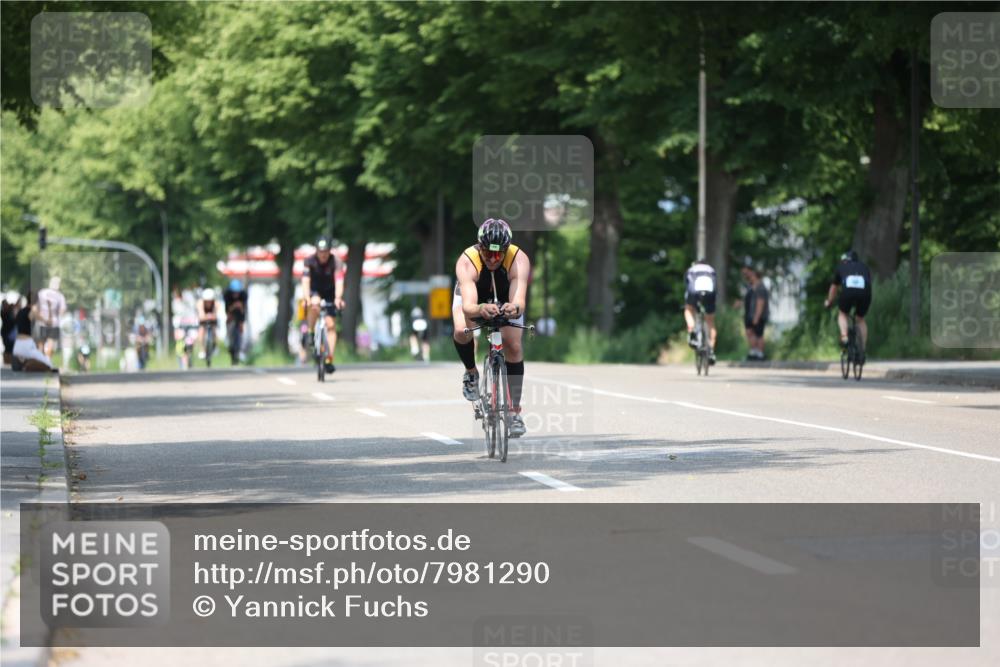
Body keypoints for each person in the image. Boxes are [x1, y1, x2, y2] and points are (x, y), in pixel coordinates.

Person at [452, 218, 531, 438]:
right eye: (488, 253)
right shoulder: (467, 261)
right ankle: (470, 372)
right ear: (480, 247)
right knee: (461, 330)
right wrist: (480, 308)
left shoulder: (519, 259)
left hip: (506, 295)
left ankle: (514, 411)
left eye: (499, 254)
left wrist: (513, 308)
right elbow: (468, 307)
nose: (494, 259)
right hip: (474, 296)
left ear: (506, 249)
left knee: (513, 345)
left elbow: (519, 302)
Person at [301, 236, 346, 373]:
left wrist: (338, 298)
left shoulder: (336, 262)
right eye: (320, 251)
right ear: (316, 251)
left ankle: (329, 358)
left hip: (330, 292)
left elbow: (339, 281)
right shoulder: (309, 261)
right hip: (315, 290)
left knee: (331, 325)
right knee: (314, 304)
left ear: (329, 251)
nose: (323, 254)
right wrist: (306, 297)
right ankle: (310, 331)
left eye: (326, 251)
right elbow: (305, 281)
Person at [824, 250, 872, 359]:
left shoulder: (841, 267)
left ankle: (845, 337)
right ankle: (862, 350)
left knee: (842, 314)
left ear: (845, 260)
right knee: (860, 319)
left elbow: (834, 288)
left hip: (848, 293)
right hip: (865, 293)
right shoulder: (864, 267)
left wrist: (829, 301)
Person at [683, 259, 717, 364]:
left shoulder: (691, 269)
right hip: (710, 293)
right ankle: (711, 350)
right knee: (710, 322)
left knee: (688, 309)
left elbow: (687, 287)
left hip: (694, 291)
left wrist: (688, 302)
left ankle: (692, 330)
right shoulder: (711, 270)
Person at [12, 291, 55, 372]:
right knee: (49, 364)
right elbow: (49, 322)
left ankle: (25, 363)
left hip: (17, 346)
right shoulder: (33, 311)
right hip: (27, 345)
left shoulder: (20, 311)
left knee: (33, 361)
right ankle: (28, 363)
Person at [741, 265, 769, 361]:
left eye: (751, 276)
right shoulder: (751, 287)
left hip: (757, 315)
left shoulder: (760, 288)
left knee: (758, 334)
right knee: (751, 333)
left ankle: (760, 353)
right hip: (750, 314)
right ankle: (754, 351)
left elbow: (760, 303)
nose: (749, 277)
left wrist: (757, 316)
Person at [36, 276, 67, 358]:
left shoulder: (42, 292)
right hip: (53, 322)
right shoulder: (60, 296)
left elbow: (36, 307)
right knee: (50, 342)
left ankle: (41, 359)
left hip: (43, 321)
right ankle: (47, 360)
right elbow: (62, 310)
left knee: (42, 341)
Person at [223, 279, 249, 365]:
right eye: (234, 292)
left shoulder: (244, 295)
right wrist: (234, 306)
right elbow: (227, 310)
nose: (236, 294)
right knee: (230, 327)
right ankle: (229, 344)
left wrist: (241, 322)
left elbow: (243, 310)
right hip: (230, 314)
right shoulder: (227, 295)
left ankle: (241, 350)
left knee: (241, 332)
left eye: (237, 292)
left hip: (240, 314)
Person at [196, 287, 219, 361]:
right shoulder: (200, 303)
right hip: (203, 320)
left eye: (210, 301)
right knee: (201, 331)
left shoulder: (216, 303)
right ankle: (202, 350)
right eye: (207, 301)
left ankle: (215, 346)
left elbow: (215, 315)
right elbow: (201, 315)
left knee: (214, 330)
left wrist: (211, 316)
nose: (208, 302)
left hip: (212, 320)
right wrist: (207, 316)